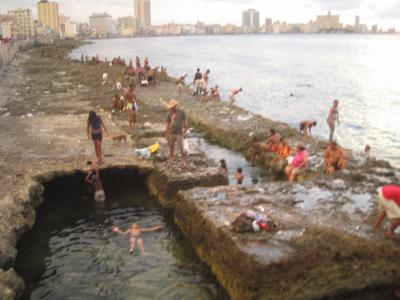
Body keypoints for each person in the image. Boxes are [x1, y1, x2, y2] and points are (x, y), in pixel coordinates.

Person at [166, 99, 188, 168]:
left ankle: (183, 161)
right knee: (171, 146)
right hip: (171, 133)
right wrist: (166, 133)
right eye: (171, 107)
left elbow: (185, 121)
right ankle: (171, 158)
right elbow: (167, 124)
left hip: (179, 133)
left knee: (181, 147)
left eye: (173, 107)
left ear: (175, 106)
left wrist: (186, 130)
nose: (172, 108)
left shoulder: (182, 112)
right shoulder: (169, 113)